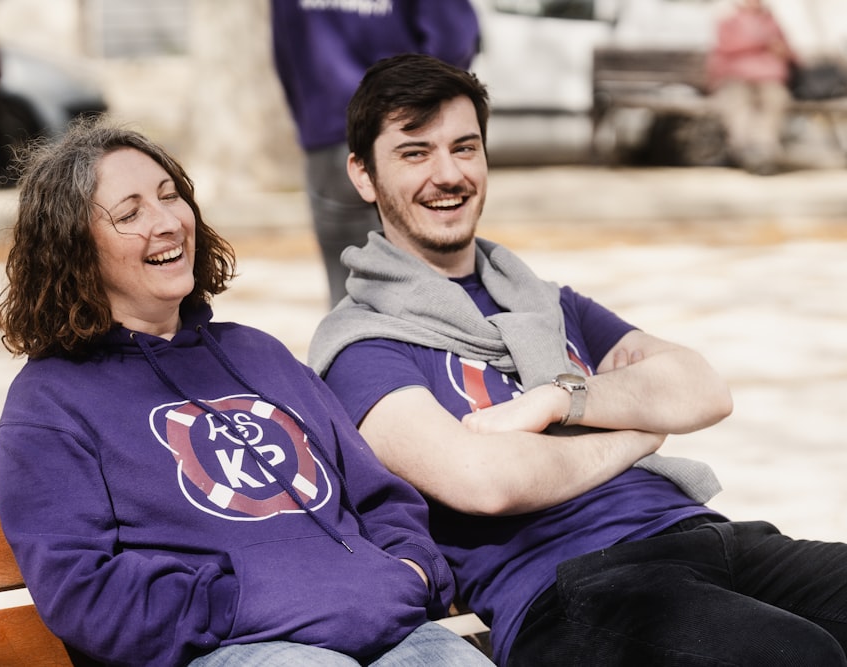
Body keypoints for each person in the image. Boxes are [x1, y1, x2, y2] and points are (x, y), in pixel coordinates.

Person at [308, 53, 847, 666]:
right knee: (796, 655)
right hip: (569, 586)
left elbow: (702, 388)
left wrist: (560, 400)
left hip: (702, 533)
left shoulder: (542, 300)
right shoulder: (362, 347)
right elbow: (485, 481)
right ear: (362, 174)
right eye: (415, 152)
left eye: (465, 147)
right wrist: (638, 431)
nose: (448, 173)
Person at [0, 116, 494, 666]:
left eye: (170, 196)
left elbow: (380, 498)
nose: (166, 223)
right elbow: (82, 588)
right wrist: (243, 603)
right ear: (74, 248)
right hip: (226, 647)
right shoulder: (49, 403)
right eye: (130, 213)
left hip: (382, 623)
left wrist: (411, 572)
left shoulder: (259, 355)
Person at [269, 0, 479, 307]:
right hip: (410, 139)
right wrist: (429, 122)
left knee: (349, 292)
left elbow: (285, 51)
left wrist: (313, 122)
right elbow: (454, 38)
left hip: (330, 136)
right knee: (434, 280)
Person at [707, 0, 796, 175]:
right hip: (736, 75)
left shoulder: (771, 19)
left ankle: (764, 149)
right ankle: (744, 148)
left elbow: (787, 49)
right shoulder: (729, 19)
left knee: (775, 99)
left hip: (769, 76)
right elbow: (726, 45)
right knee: (738, 102)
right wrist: (761, 42)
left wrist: (780, 49)